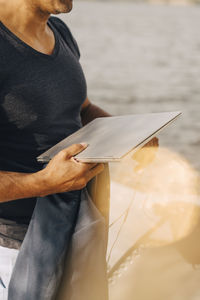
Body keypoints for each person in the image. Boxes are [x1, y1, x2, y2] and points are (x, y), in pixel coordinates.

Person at [0, 0, 111, 298]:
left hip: (73, 225)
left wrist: (125, 133)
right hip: (13, 249)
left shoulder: (60, 32)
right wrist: (42, 183)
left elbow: (81, 109)